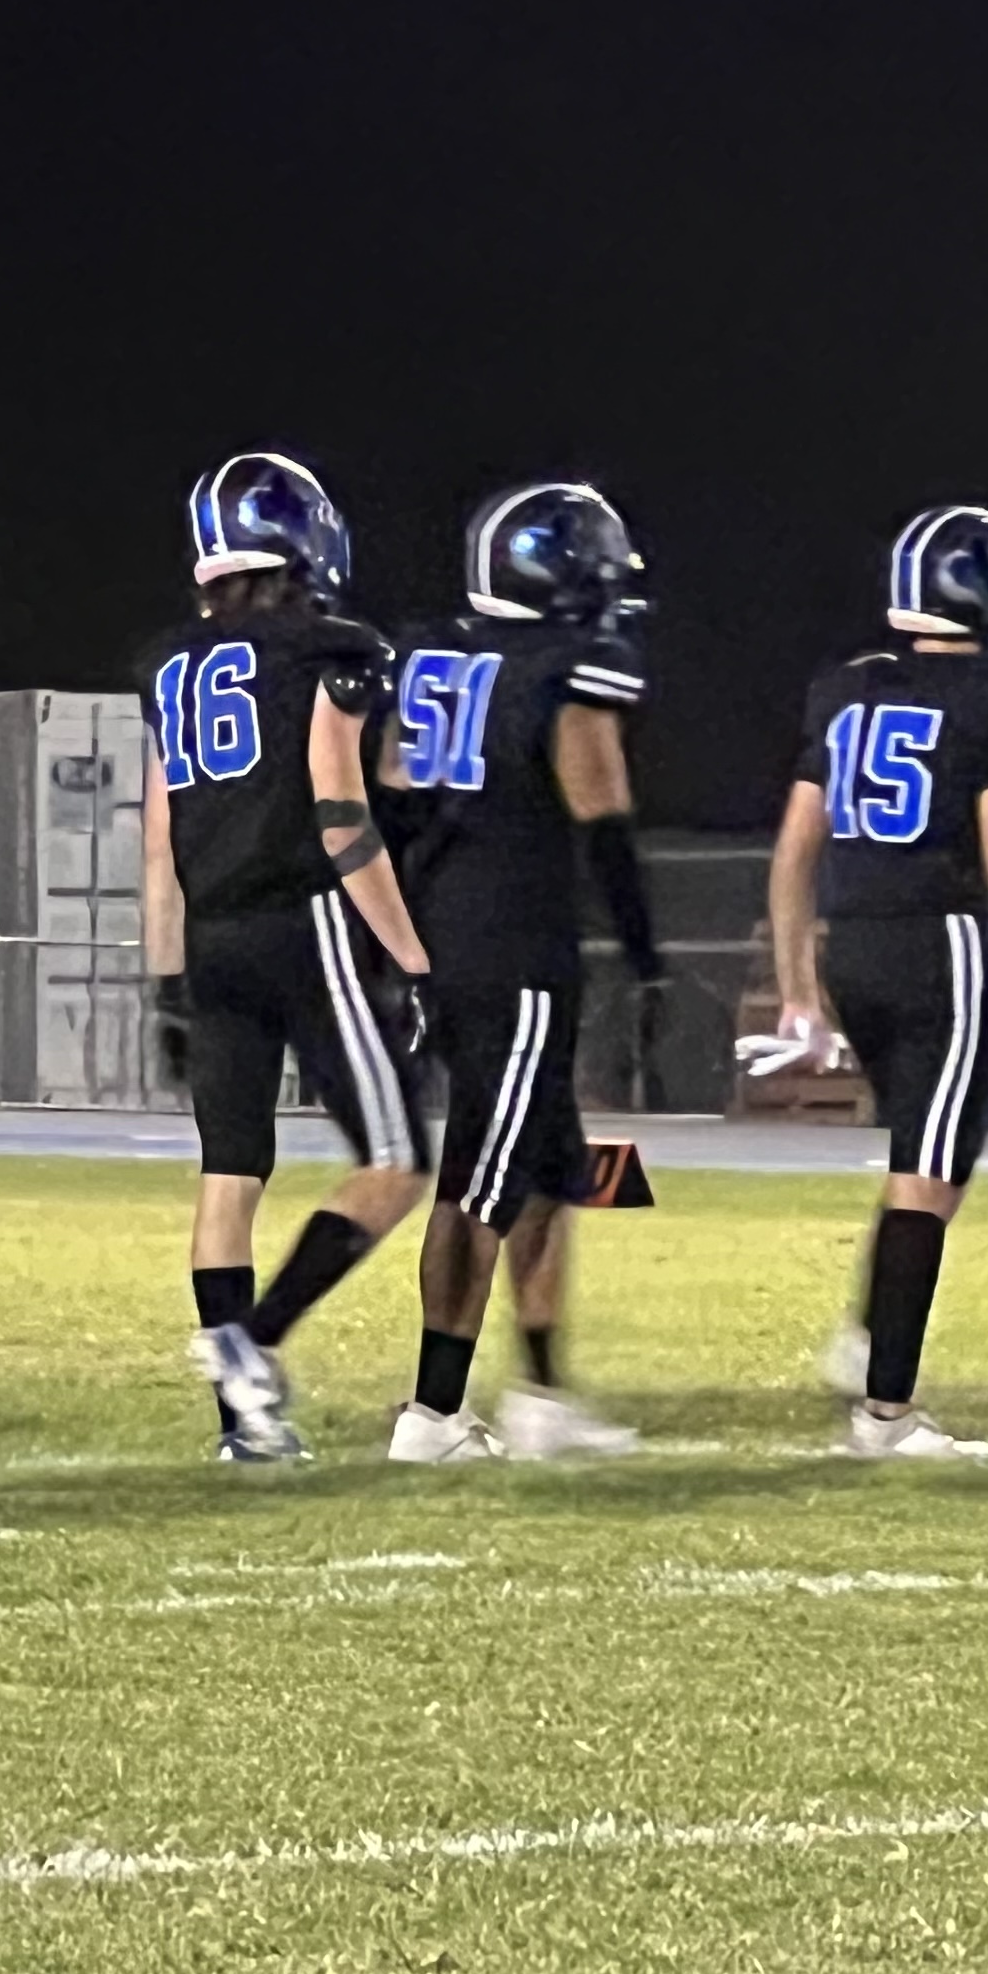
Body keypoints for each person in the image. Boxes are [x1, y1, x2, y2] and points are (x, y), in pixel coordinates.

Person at [762, 504, 988, 1458]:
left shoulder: (846, 688)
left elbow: (795, 851)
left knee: (920, 1166)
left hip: (855, 944)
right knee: (928, 1177)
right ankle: (885, 1411)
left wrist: (800, 983)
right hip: (938, 945)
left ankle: (866, 1341)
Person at [138, 451, 436, 1463]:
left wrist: (166, 975)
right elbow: (339, 808)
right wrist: (411, 953)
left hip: (211, 935)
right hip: (302, 921)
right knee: (396, 1161)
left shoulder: (173, 666)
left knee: (230, 1175)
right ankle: (253, 1348)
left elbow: (157, 828)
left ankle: (244, 1432)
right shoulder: (333, 648)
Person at [378, 481, 659, 1463]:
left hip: (445, 929)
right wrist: (643, 951)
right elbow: (602, 811)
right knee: (480, 1179)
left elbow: (397, 793)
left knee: (546, 1168)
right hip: (519, 941)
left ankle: (540, 1396)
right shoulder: (569, 667)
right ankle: (433, 1411)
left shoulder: (432, 658)